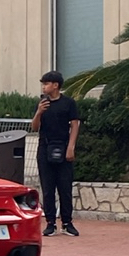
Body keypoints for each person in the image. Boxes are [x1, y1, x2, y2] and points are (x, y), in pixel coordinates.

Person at [31, 71, 81, 236]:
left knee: (65, 187)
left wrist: (71, 147)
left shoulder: (68, 103)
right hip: (44, 148)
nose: (44, 87)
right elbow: (35, 127)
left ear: (55, 85)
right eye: (43, 84)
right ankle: (50, 223)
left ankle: (67, 223)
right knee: (47, 187)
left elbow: (75, 124)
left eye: (46, 84)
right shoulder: (42, 103)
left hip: (63, 146)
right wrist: (39, 112)